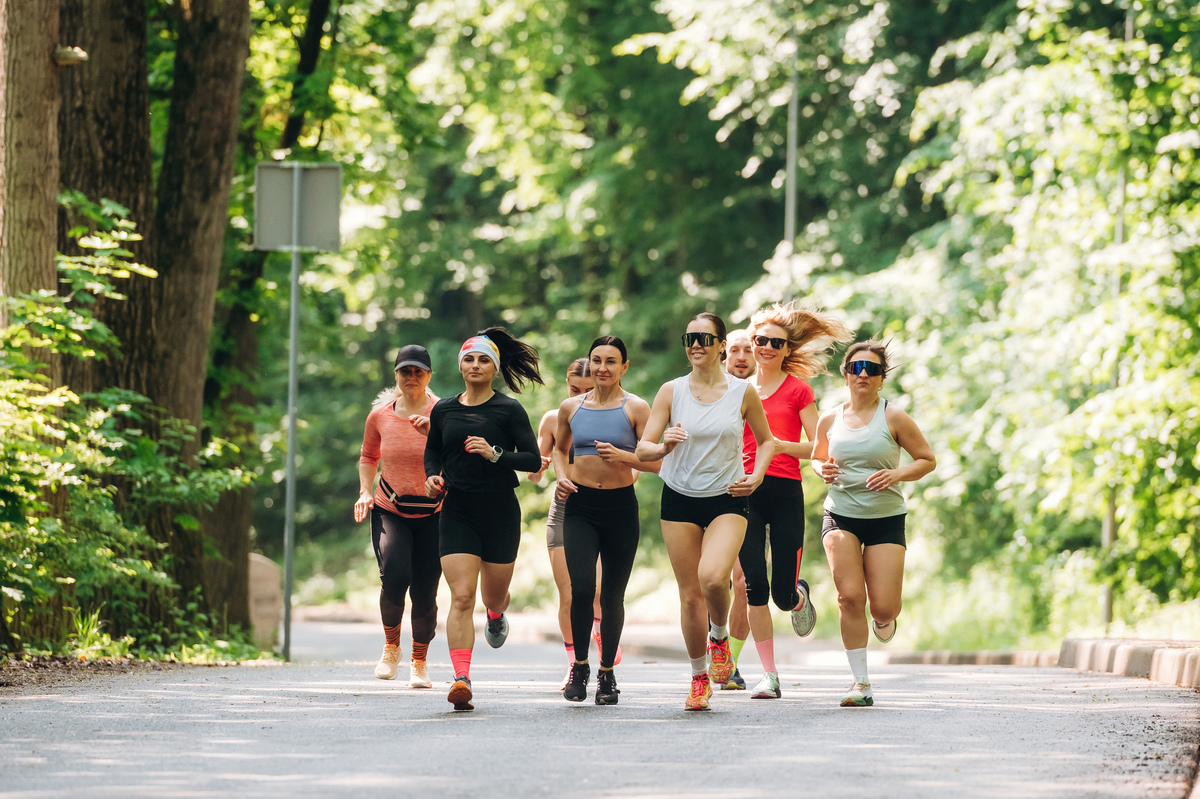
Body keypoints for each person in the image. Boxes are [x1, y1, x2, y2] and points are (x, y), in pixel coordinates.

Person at [637, 312, 774, 711]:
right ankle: (699, 678)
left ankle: (719, 640)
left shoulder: (741, 392)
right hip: (679, 498)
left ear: (719, 345)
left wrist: (757, 476)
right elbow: (644, 447)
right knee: (690, 595)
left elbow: (767, 442)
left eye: (704, 338)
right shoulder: (671, 391)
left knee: (714, 578)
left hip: (727, 497)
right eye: (689, 338)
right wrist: (663, 445)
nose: (695, 345)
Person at [424, 328, 544, 711]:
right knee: (461, 597)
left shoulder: (508, 409)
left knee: (492, 595)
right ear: (460, 366)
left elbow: (531, 459)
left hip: (499, 512)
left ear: (494, 368)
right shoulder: (443, 409)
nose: (475, 365)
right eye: (469, 359)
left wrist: (495, 454)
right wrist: (432, 477)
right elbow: (433, 454)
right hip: (457, 511)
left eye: (483, 360)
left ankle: (495, 613)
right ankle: (461, 678)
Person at [811, 340, 935, 708]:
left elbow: (927, 460)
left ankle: (885, 620)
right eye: (856, 367)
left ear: (882, 379)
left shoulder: (894, 416)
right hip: (840, 513)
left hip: (885, 518)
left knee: (883, 608)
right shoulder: (829, 418)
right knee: (849, 597)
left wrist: (896, 474)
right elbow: (817, 458)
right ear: (845, 374)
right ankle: (860, 682)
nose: (863, 374)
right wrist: (823, 469)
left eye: (872, 369)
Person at [738, 302, 852, 699]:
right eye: (760, 340)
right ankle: (768, 675)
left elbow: (818, 449)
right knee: (754, 585)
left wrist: (777, 445)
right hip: (745, 492)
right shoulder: (736, 390)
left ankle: (797, 594)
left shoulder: (798, 390)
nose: (766, 347)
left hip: (785, 492)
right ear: (750, 343)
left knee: (780, 596)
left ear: (787, 349)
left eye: (775, 342)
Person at [553, 336, 660, 704]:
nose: (602, 367)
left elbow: (657, 462)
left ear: (624, 367)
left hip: (620, 508)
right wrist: (561, 476)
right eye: (597, 360)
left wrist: (622, 457)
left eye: (611, 361)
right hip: (581, 507)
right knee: (581, 590)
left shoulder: (636, 408)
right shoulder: (571, 407)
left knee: (612, 596)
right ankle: (579, 667)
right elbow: (559, 448)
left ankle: (607, 676)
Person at [355, 345, 443, 688]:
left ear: (428, 376)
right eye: (405, 371)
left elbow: (456, 456)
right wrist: (365, 491)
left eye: (418, 371)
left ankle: (419, 662)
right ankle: (391, 648)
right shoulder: (380, 416)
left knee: (425, 591)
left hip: (434, 513)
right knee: (394, 574)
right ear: (396, 376)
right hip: (390, 508)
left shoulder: (443, 414)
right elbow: (367, 455)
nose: (411, 377)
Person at [528, 358, 617, 687]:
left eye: (587, 389)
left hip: (601, 507)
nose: (579, 394)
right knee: (569, 592)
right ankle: (574, 664)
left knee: (595, 591)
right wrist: (538, 462)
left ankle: (602, 635)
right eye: (573, 389)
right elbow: (535, 475)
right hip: (564, 510)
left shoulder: (613, 416)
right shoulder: (555, 418)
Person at [722, 329, 756, 691]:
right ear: (723, 354)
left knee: (743, 582)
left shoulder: (765, 394)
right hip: (713, 492)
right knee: (711, 580)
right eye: (735, 350)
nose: (742, 356)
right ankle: (714, 652)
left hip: (755, 492)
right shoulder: (707, 391)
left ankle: (730, 661)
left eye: (749, 349)